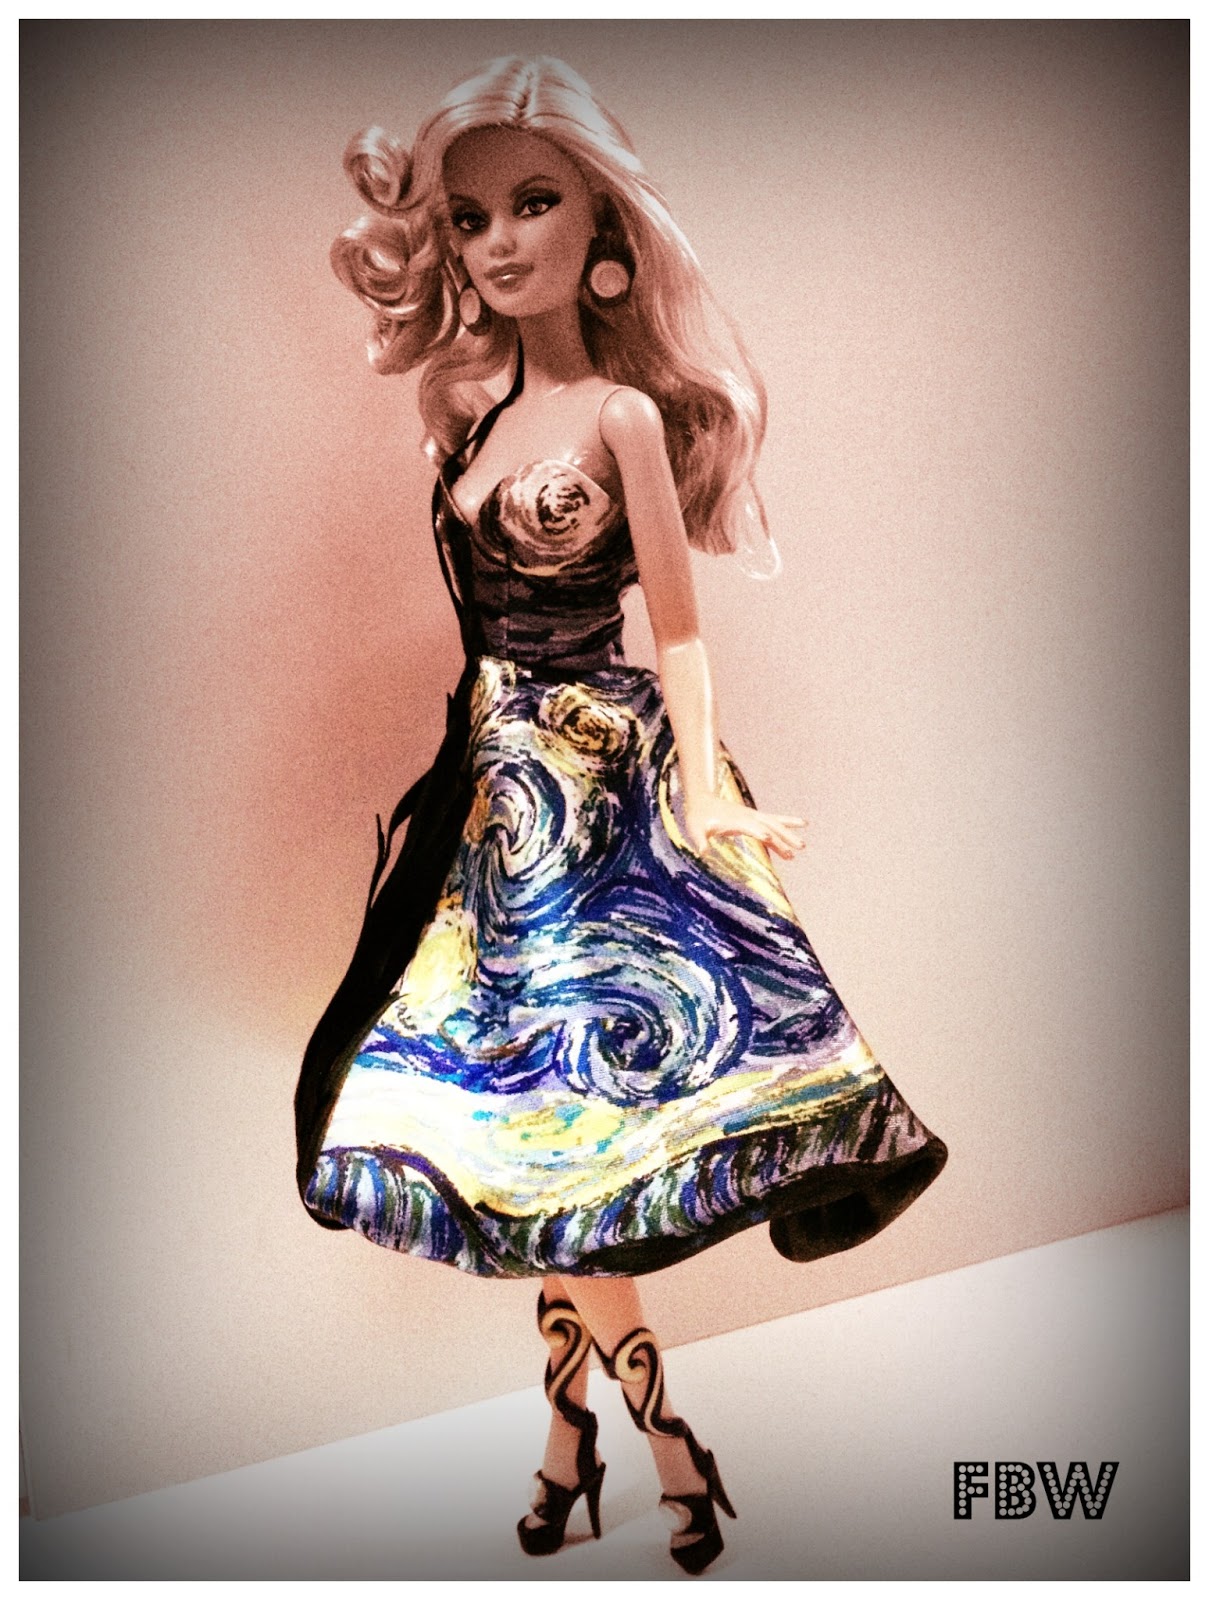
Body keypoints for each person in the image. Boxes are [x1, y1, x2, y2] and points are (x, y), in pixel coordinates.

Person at [294, 54, 947, 1576]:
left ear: (604, 223)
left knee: (575, 1148)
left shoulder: (624, 418)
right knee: (538, 1161)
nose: (497, 242)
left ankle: (647, 1454)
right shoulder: (468, 414)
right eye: (469, 218)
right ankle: (586, 1451)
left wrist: (709, 790)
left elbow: (680, 628)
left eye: (534, 202)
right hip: (492, 817)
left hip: (601, 818)